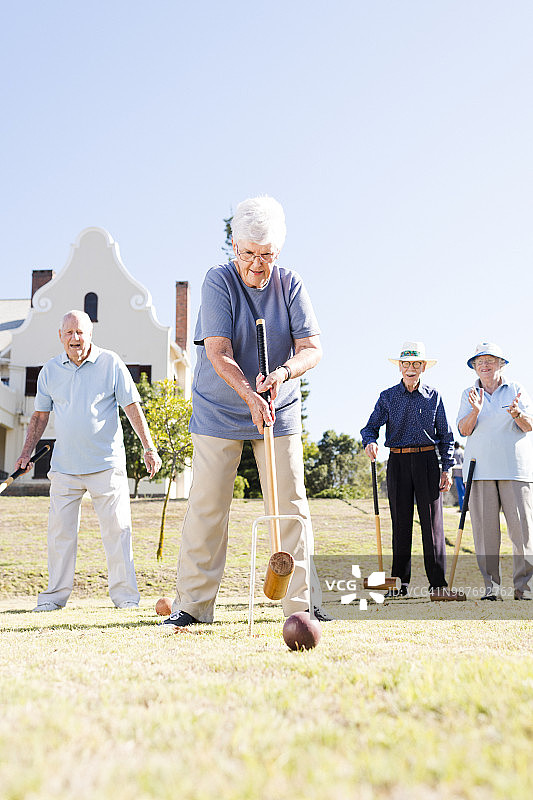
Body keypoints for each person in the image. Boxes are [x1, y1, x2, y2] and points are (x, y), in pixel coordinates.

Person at [161, 195, 327, 628]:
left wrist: (284, 374)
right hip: (220, 408)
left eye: (267, 255)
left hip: (277, 405)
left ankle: (301, 605)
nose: (258, 264)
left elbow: (312, 349)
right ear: (234, 246)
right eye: (249, 253)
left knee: (290, 505)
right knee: (208, 505)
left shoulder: (290, 284)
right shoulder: (218, 281)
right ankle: (193, 608)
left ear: (279, 251)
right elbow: (219, 351)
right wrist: (248, 395)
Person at [15, 310, 162, 611]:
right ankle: (53, 599)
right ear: (60, 336)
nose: (75, 338)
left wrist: (149, 447)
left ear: (91, 334)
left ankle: (125, 599)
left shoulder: (111, 363)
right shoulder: (50, 371)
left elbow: (132, 407)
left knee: (118, 531)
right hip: (65, 468)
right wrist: (25, 453)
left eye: (80, 332)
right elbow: (40, 417)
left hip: (106, 464)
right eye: (69, 333)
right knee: (60, 535)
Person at [361, 341, 460, 598]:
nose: (411, 368)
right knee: (401, 524)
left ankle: (438, 584)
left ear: (423, 367)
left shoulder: (434, 396)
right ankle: (399, 584)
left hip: (428, 462)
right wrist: (370, 441)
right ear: (400, 368)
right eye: (406, 364)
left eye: (416, 364)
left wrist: (446, 468)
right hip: (398, 462)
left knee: (432, 526)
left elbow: (446, 436)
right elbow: (370, 427)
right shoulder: (388, 397)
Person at [457, 342, 533, 600]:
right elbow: (464, 430)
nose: (485, 365)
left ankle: (524, 589)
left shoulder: (516, 389)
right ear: (474, 368)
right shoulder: (469, 393)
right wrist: (476, 411)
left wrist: (517, 414)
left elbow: (529, 425)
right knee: (485, 536)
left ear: (502, 363)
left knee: (523, 532)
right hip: (480, 471)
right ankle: (493, 588)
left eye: (491, 360)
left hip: (515, 470)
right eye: (480, 362)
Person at [452, 441, 465, 510]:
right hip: (464, 473)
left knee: (460, 491)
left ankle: (462, 507)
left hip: (457, 473)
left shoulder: (454, 452)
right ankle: (468, 506)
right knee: (466, 491)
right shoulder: (463, 451)